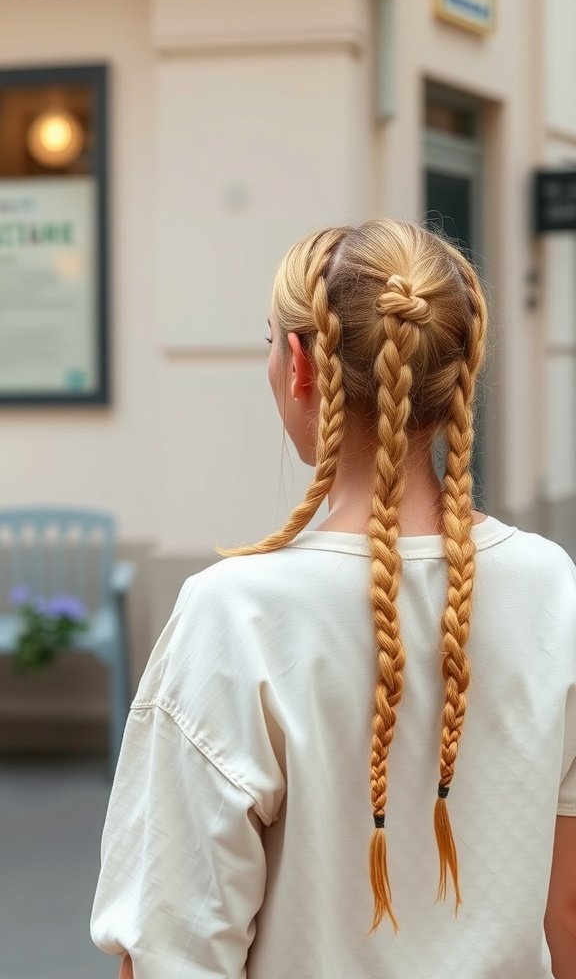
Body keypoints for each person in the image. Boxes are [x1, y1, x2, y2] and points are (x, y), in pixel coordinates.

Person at [91, 219, 576, 979]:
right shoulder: (553, 587)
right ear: (458, 368)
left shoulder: (234, 616)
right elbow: (567, 913)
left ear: (300, 365)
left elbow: (171, 950)